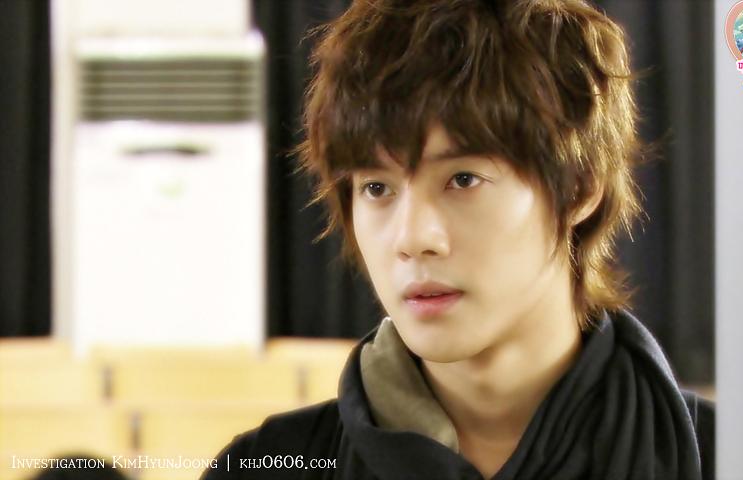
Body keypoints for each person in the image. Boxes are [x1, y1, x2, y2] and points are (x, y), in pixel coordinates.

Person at [203, 0, 714, 479]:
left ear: (579, 188)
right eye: (377, 188)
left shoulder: (728, 455)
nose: (412, 238)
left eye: (463, 180)